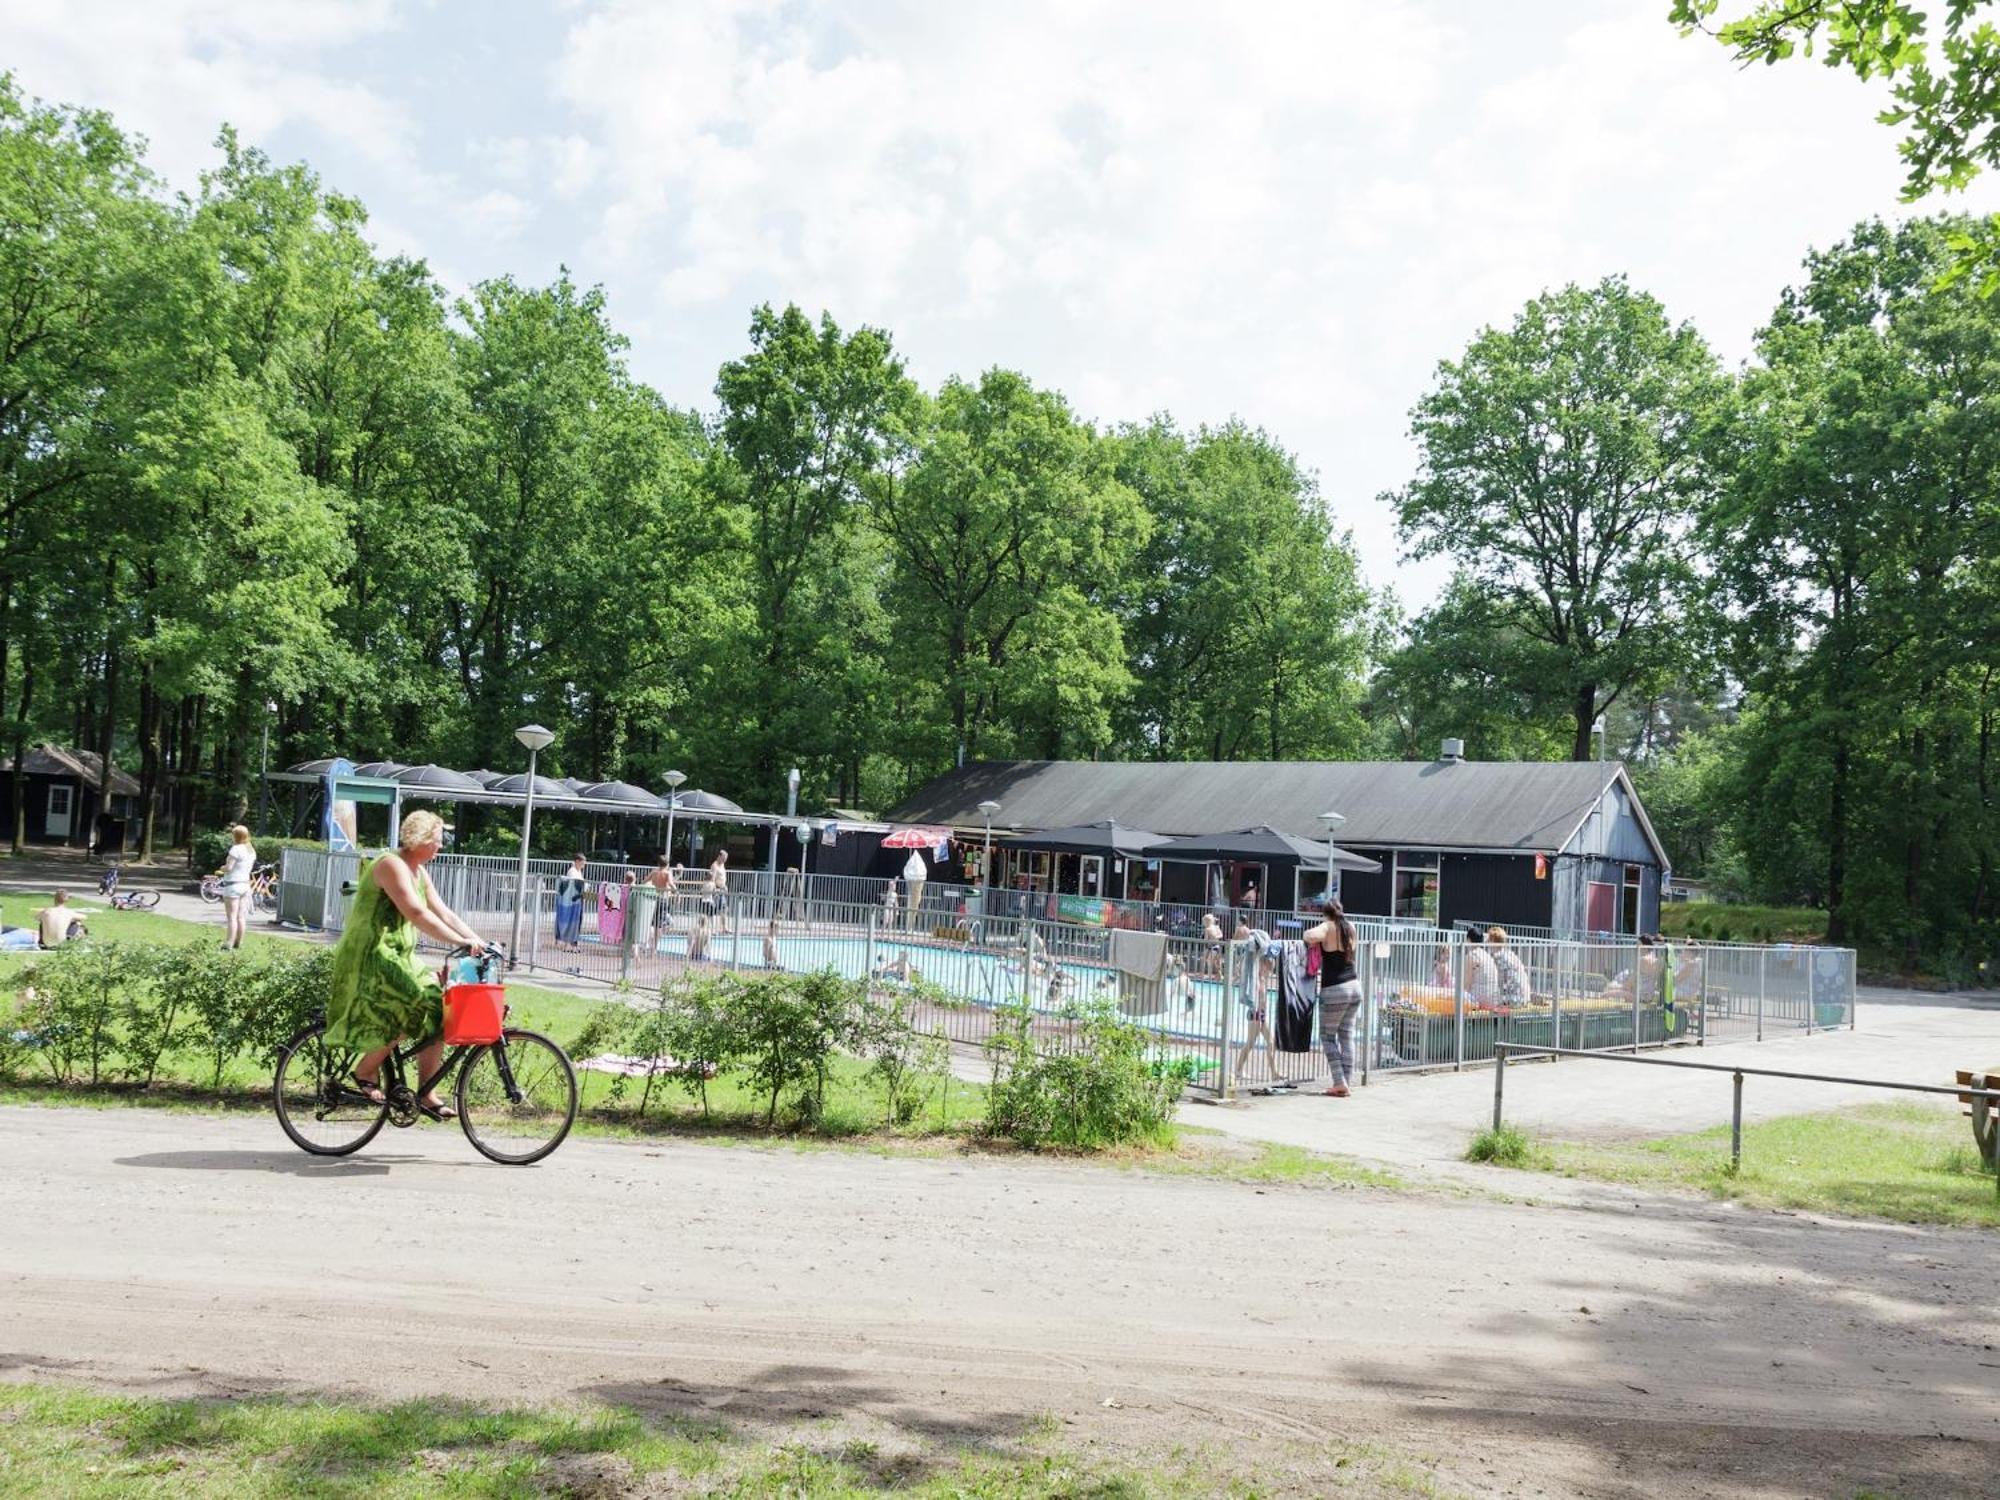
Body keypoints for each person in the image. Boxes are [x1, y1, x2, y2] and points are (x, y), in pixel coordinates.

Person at [328, 810, 486, 1119]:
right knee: (413, 1002)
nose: (441, 847)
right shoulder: (391, 865)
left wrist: (479, 941)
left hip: (398, 954)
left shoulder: (418, 870)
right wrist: (460, 943)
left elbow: (444, 913)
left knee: (440, 1009)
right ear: (421, 840)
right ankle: (365, 1070)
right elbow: (417, 913)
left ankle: (426, 1092)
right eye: (438, 841)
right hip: (371, 952)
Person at [1305, 898, 1361, 1097]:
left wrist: (1314, 932)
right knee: (1347, 1037)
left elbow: (1310, 936)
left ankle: (1339, 1081)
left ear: (1325, 913)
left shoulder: (1327, 926)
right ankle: (1346, 1083)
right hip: (1355, 986)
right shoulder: (1351, 927)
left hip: (1335, 989)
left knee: (1327, 1037)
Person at [215, 824, 255, 950]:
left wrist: (222, 868)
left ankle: (229, 943)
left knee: (231, 916)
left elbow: (229, 868)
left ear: (235, 836)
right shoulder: (250, 850)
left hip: (233, 885)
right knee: (241, 916)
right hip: (245, 884)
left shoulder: (235, 849)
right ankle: (239, 942)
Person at [1489, 927, 1532, 1010]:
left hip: (1514, 999)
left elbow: (1498, 981)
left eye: (1489, 940)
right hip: (1524, 997)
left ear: (1493, 941)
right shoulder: (1509, 954)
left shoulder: (1498, 957)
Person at [554, 853, 587, 948]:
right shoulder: (572, 871)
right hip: (571, 901)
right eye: (582, 862)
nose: (584, 864)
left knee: (577, 919)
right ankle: (568, 941)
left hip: (576, 899)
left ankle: (572, 940)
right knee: (570, 919)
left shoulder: (578, 871)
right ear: (577, 861)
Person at [1462, 926, 1499, 1009]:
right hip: (1493, 999)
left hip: (1479, 999)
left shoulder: (1471, 956)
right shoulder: (1488, 956)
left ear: (1468, 940)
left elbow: (1466, 983)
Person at [901, 849, 928, 931]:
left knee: (913, 905)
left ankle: (910, 925)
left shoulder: (916, 863)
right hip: (915, 877)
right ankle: (910, 926)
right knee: (913, 905)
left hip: (915, 877)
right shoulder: (917, 863)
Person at [706, 849, 731, 932]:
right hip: (716, 890)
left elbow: (722, 877)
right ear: (719, 856)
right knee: (712, 910)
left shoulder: (722, 865)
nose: (725, 860)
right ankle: (711, 928)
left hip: (722, 890)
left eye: (726, 859)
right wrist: (714, 889)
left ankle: (724, 927)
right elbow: (712, 879)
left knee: (724, 909)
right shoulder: (714, 866)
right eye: (724, 858)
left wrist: (724, 886)